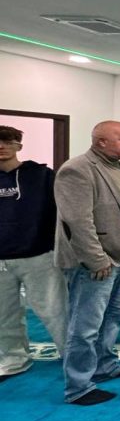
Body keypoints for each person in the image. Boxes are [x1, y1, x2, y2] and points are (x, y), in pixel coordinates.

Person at [55, 121, 120, 405]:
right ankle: (78, 387)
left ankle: (104, 366)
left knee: (113, 316)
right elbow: (78, 221)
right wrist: (96, 260)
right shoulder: (77, 169)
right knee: (85, 326)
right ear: (101, 142)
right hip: (95, 263)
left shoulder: (116, 166)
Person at [0, 125, 67, 383]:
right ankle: (13, 361)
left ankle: (73, 356)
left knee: (55, 310)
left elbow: (61, 211)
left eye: (8, 141)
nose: (2, 147)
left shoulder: (42, 176)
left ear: (19, 145)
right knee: (4, 316)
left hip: (38, 255)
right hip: (1, 261)